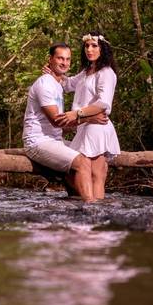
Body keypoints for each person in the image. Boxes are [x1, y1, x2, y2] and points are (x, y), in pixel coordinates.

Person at [23, 43, 108, 202]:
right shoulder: (45, 84)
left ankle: (79, 198)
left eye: (68, 59)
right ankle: (92, 206)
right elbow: (57, 122)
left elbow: (63, 125)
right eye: (60, 58)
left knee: (90, 155)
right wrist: (89, 118)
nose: (64, 62)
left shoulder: (57, 84)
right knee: (82, 162)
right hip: (37, 142)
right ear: (50, 59)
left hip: (55, 140)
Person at [53, 32, 120, 201]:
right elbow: (68, 85)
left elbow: (103, 103)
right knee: (84, 171)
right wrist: (54, 72)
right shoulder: (86, 71)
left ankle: (95, 214)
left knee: (96, 175)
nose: (89, 49)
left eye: (94, 46)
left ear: (103, 48)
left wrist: (77, 114)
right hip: (85, 126)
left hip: (97, 127)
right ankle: (89, 210)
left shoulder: (106, 72)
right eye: (87, 46)